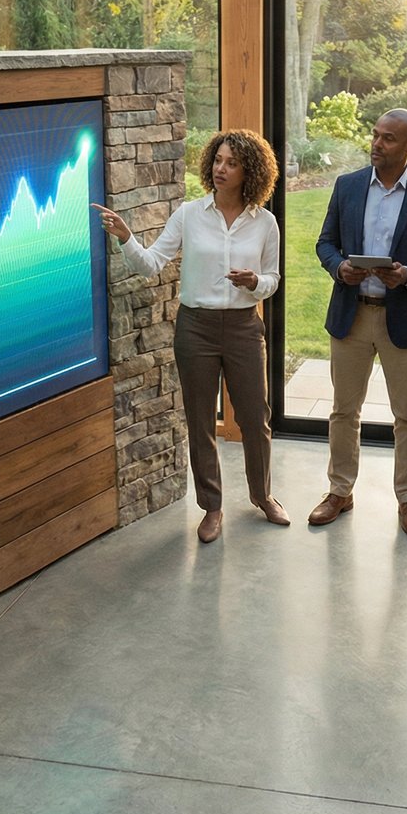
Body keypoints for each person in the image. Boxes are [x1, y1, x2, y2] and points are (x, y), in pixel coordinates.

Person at [93, 129, 284, 543]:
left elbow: (272, 279)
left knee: (255, 418)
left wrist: (254, 282)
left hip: (243, 328)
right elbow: (150, 264)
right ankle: (212, 508)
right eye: (217, 159)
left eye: (232, 162)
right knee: (200, 422)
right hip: (195, 328)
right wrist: (127, 238)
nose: (221, 168)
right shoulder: (188, 215)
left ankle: (262, 495)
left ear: (249, 171)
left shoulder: (265, 222)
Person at [310, 108, 407, 536]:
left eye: (388, 138)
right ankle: (340, 491)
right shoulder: (348, 186)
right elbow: (325, 242)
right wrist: (339, 268)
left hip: (403, 320)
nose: (376, 143)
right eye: (375, 135)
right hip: (351, 315)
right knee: (343, 411)